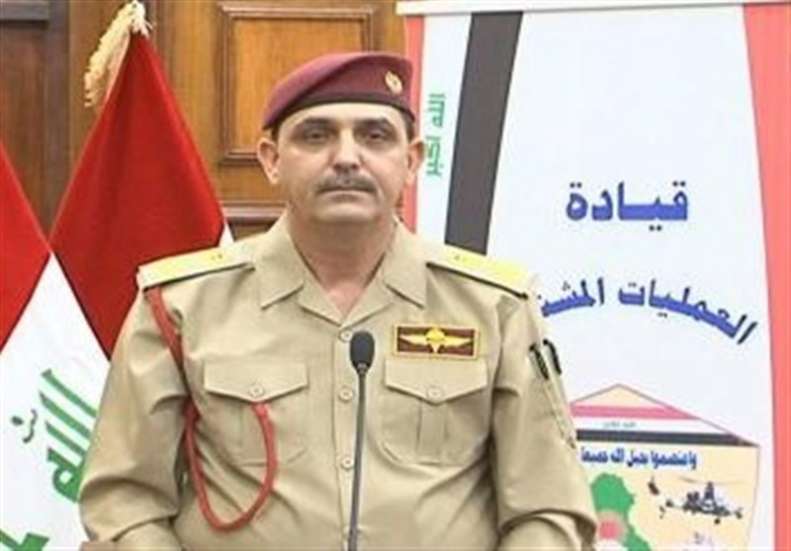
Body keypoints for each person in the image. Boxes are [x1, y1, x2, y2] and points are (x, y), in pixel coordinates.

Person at [79, 51, 598, 549]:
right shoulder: (183, 306)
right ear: (271, 160)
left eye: (375, 136)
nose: (347, 157)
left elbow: (550, 511)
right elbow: (125, 500)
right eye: (316, 135)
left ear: (412, 160)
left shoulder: (494, 308)